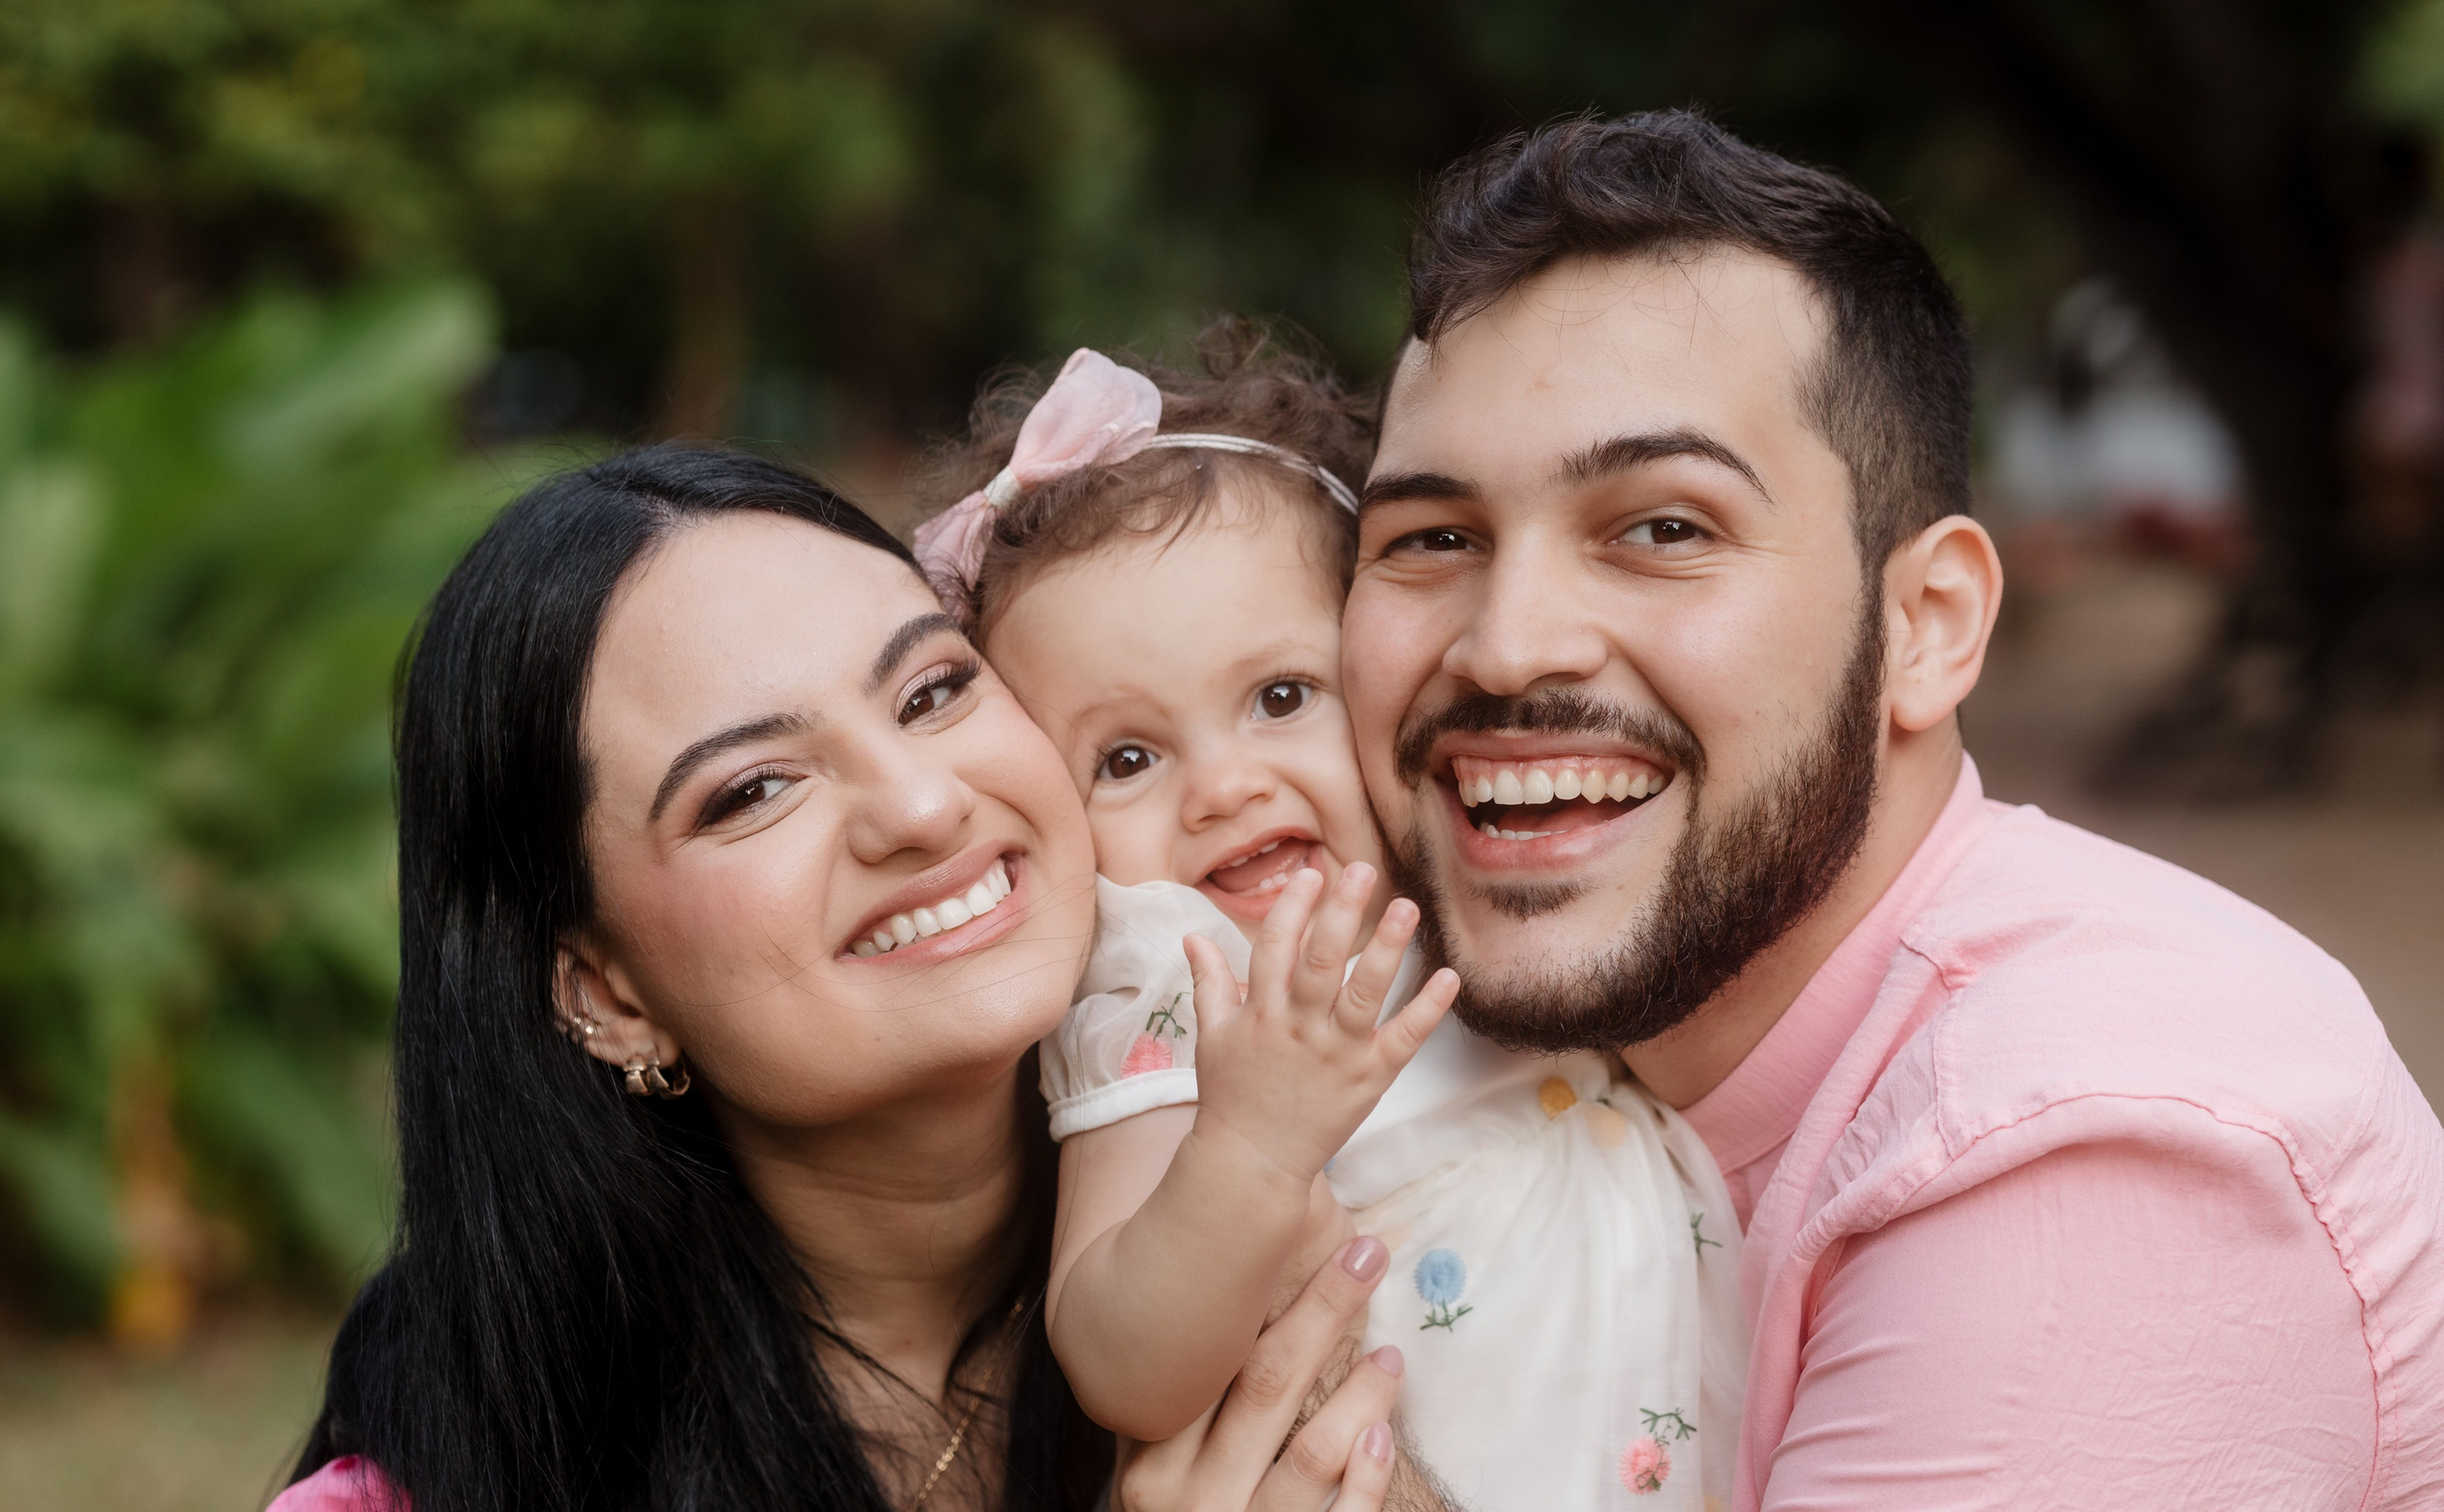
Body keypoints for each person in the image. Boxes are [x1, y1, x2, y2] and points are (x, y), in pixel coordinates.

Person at [1338, 110, 2444, 1510]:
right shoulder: (1481, 1074)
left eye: (1664, 528)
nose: (1505, 647)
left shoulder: (2080, 1147)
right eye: (1432, 538)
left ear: (1928, 622)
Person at [272, 446, 1411, 1512]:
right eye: (752, 790)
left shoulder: (1322, 1152)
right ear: (604, 994)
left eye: (930, 693)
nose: (923, 804)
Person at [916, 328, 1745, 1510]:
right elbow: (1120, 1365)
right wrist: (1249, 1145)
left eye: (1279, 696)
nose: (1224, 787)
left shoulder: (1467, 871)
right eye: (1127, 758)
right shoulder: (1169, 983)